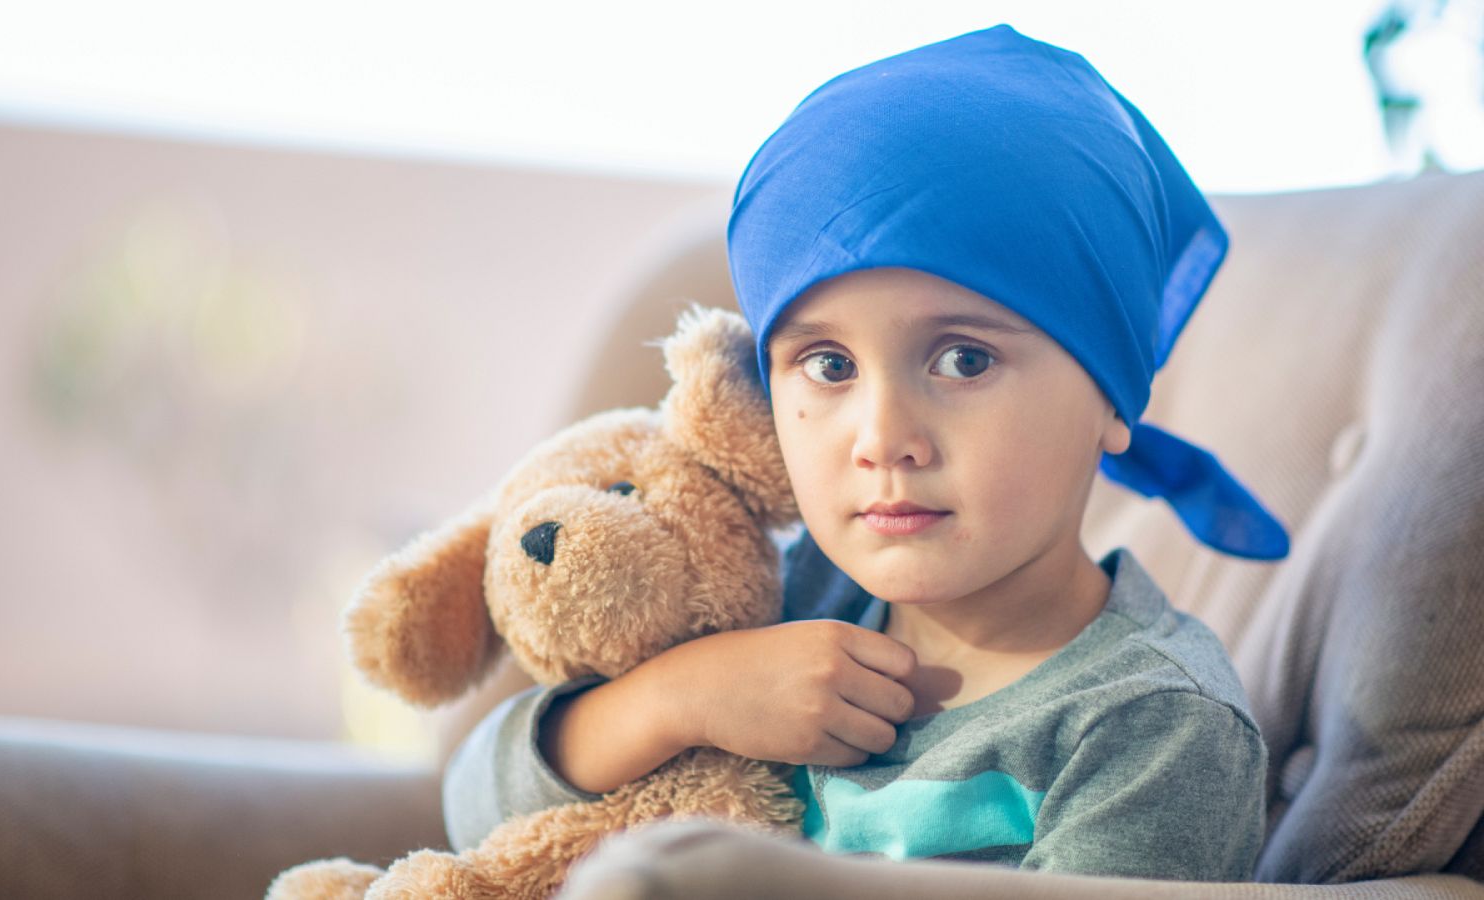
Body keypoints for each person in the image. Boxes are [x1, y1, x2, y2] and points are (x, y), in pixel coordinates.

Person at [442, 23, 1291, 882]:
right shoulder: (779, 596)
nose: (884, 439)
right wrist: (677, 700)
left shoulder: (1153, 726)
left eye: (965, 360)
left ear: (1109, 393)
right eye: (829, 366)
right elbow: (470, 805)